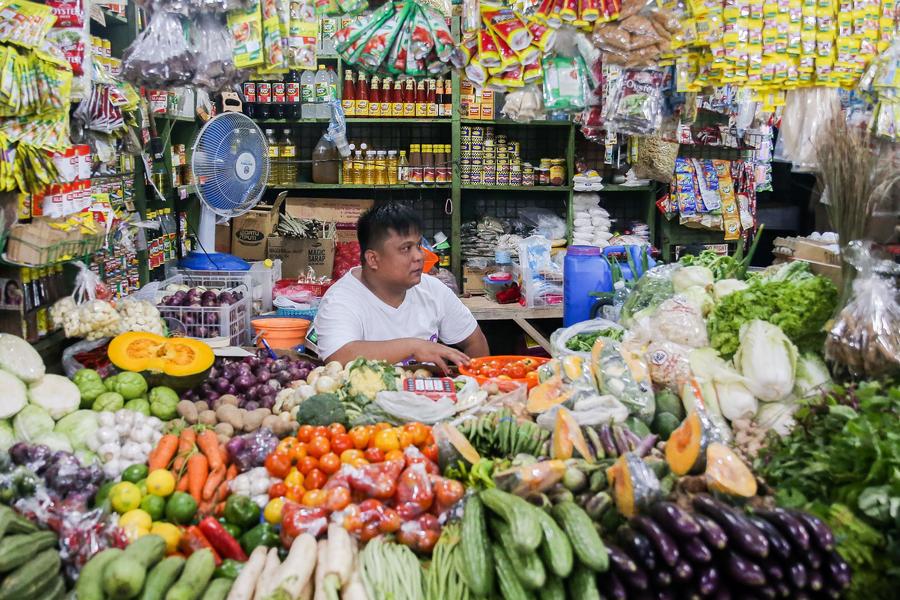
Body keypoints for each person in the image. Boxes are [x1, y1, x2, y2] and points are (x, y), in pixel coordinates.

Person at [310, 203, 489, 372]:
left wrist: (474, 386)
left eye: (418, 246)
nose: (419, 256)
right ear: (373, 259)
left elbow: (474, 341)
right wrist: (414, 347)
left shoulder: (433, 289)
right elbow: (339, 356)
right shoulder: (341, 300)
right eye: (405, 249)